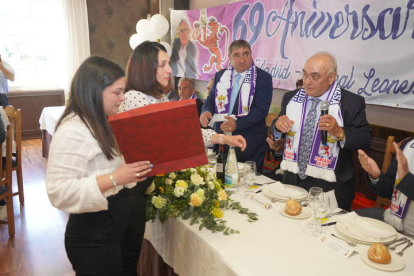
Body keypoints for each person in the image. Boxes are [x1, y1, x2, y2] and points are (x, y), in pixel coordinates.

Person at [46, 56, 153, 275]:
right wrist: (115, 178)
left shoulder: (100, 121)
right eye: (117, 92)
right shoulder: (72, 131)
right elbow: (59, 192)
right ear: (94, 90)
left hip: (110, 225)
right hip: (92, 234)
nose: (122, 98)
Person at [267, 52, 372, 211]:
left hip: (330, 185)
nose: (307, 82)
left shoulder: (350, 103)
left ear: (331, 77)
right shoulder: (291, 98)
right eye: (305, 75)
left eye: (315, 77)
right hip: (292, 178)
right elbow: (280, 130)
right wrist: (276, 128)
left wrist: (339, 132)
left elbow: (366, 138)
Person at [119, 41, 246, 150]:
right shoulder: (134, 97)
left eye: (168, 64)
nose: (169, 70)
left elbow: (183, 130)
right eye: (163, 65)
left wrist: (224, 138)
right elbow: (174, 135)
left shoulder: (160, 97)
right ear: (145, 68)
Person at [200, 39, 273, 173]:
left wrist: (237, 123)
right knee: (221, 180)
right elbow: (211, 99)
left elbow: (261, 110)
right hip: (222, 138)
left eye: (245, 54)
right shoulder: (220, 75)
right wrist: (205, 111)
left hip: (249, 143)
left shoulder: (263, 78)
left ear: (251, 54)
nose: (241, 59)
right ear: (230, 58)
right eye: (236, 55)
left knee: (249, 186)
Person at [357, 139, 414, 238]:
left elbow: (405, 181)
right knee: (349, 222)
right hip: (393, 223)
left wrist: (406, 178)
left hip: (410, 233)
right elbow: (389, 190)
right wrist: (376, 175)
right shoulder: (408, 144)